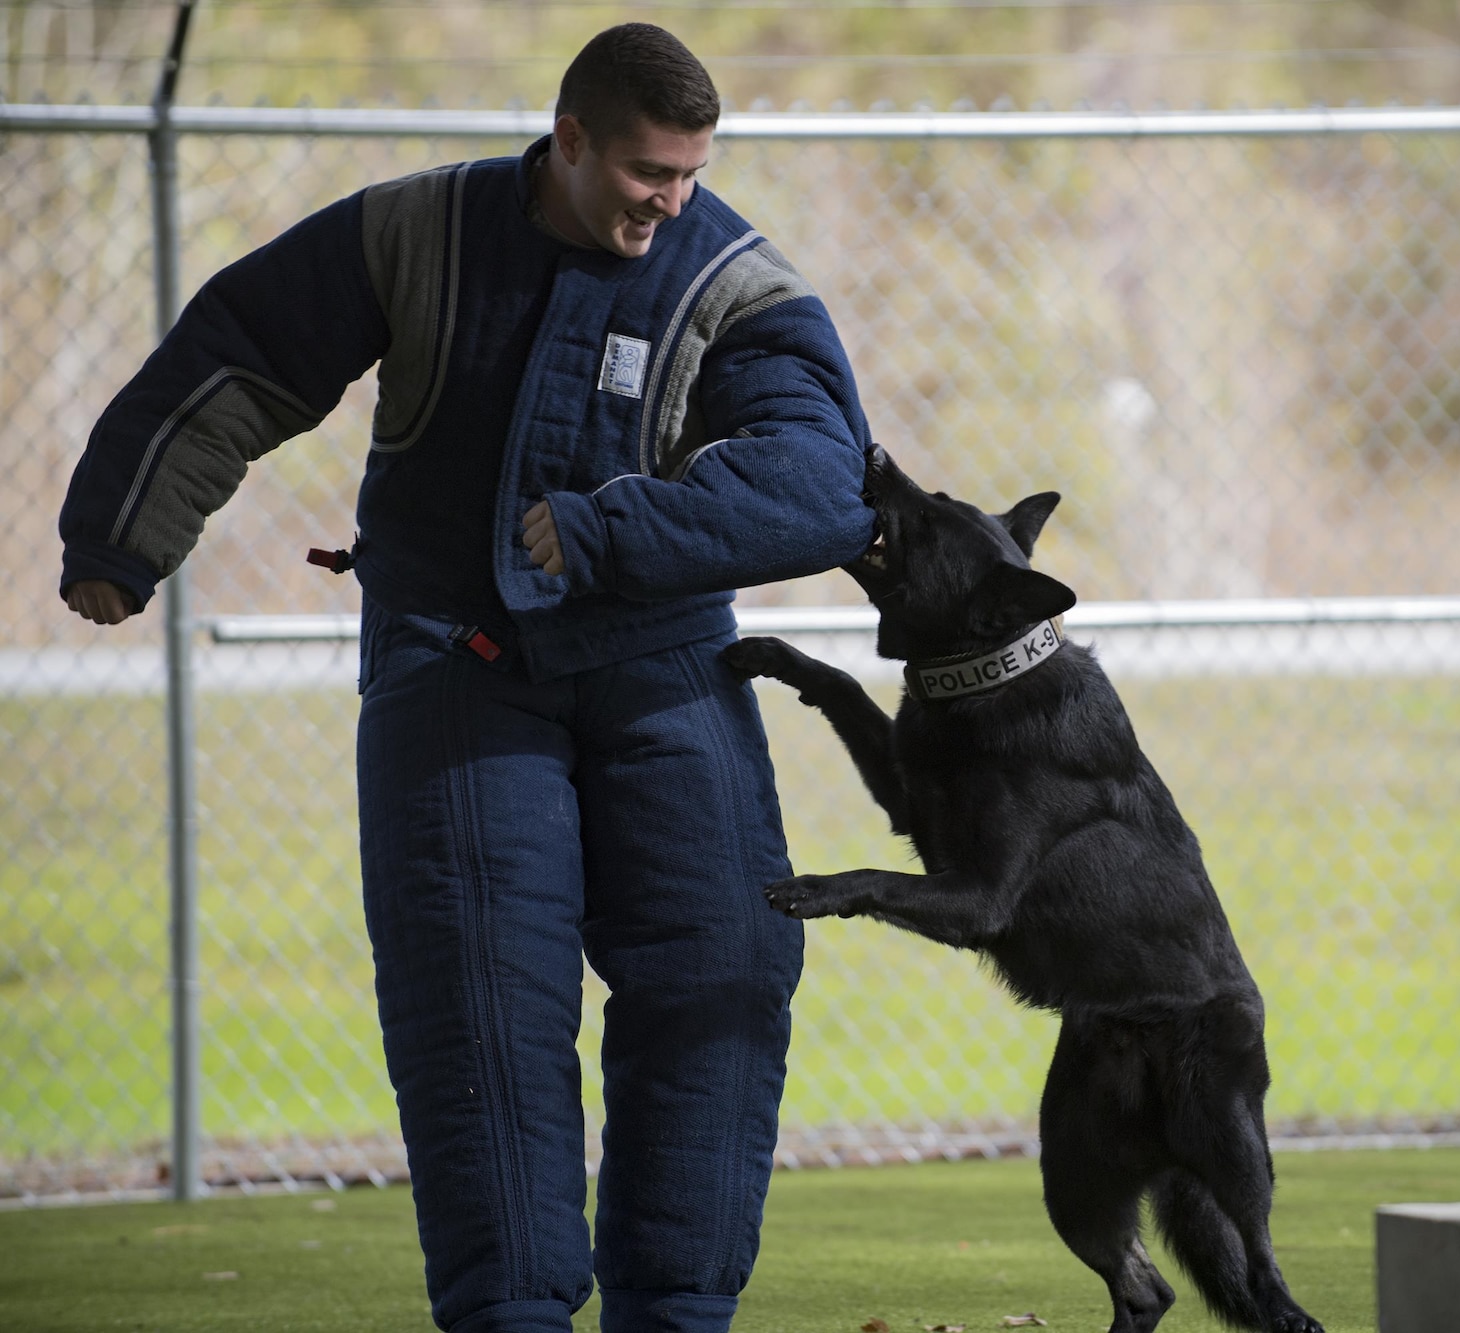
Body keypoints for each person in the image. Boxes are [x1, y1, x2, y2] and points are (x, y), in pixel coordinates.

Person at [58, 24, 874, 1333]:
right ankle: (512, 1314)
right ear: (569, 141)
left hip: (663, 664)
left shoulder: (730, 276)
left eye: (689, 175)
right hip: (454, 662)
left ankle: (679, 1311)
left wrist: (617, 526)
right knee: (480, 1001)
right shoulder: (417, 231)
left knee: (723, 967)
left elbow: (826, 483)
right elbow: (245, 351)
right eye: (644, 174)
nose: (668, 203)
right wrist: (122, 531)